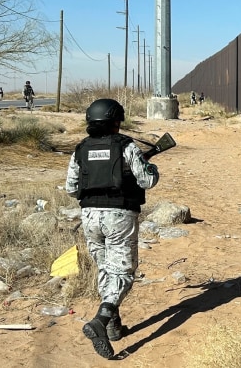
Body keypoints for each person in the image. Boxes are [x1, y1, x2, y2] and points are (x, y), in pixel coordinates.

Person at [65, 99, 160, 359]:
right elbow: (147, 180)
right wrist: (151, 166)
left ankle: (113, 328)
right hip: (119, 216)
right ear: (116, 121)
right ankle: (100, 320)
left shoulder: (80, 149)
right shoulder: (126, 145)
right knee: (124, 273)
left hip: (89, 217)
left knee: (106, 268)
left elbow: (71, 188)